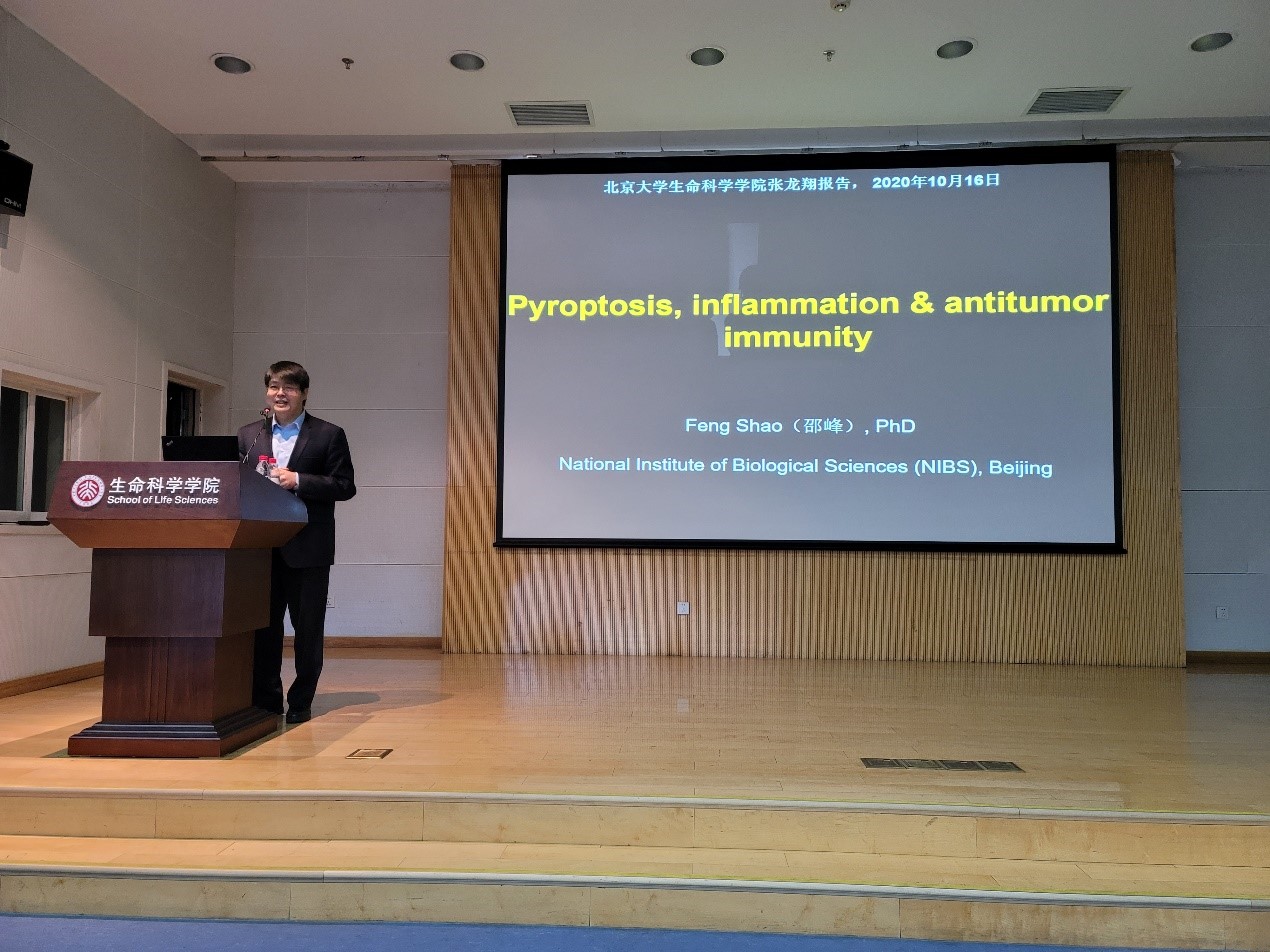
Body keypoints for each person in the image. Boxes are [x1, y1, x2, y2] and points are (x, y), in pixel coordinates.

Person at [237, 361, 356, 724]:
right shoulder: (249, 435)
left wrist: (299, 480)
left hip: (309, 549)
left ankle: (301, 701)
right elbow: (235, 482)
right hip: (260, 549)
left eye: (288, 388)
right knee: (263, 630)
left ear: (304, 394)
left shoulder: (328, 435)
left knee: (307, 631)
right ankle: (267, 701)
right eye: (274, 386)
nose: (280, 394)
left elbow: (345, 486)